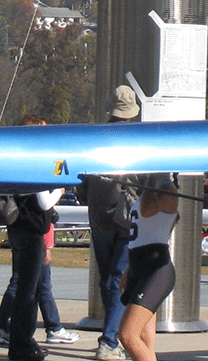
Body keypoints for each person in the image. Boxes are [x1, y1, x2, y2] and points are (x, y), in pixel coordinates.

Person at [0, 116, 79, 351]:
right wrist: (60, 190)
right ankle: (23, 341)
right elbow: (44, 203)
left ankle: (11, 332)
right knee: (29, 291)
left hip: (15, 228)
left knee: (22, 284)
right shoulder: (36, 161)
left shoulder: (14, 160)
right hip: (31, 231)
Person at [80, 86, 140, 361]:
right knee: (117, 278)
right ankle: (110, 339)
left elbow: (81, 183)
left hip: (99, 215)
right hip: (128, 219)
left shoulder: (94, 139)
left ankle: (111, 335)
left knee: (108, 279)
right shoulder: (139, 141)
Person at [117, 174, 179, 361]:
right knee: (143, 337)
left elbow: (147, 211)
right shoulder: (149, 188)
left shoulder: (167, 190)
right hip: (138, 266)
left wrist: (153, 176)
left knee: (128, 335)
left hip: (157, 270)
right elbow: (142, 232)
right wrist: (129, 269)